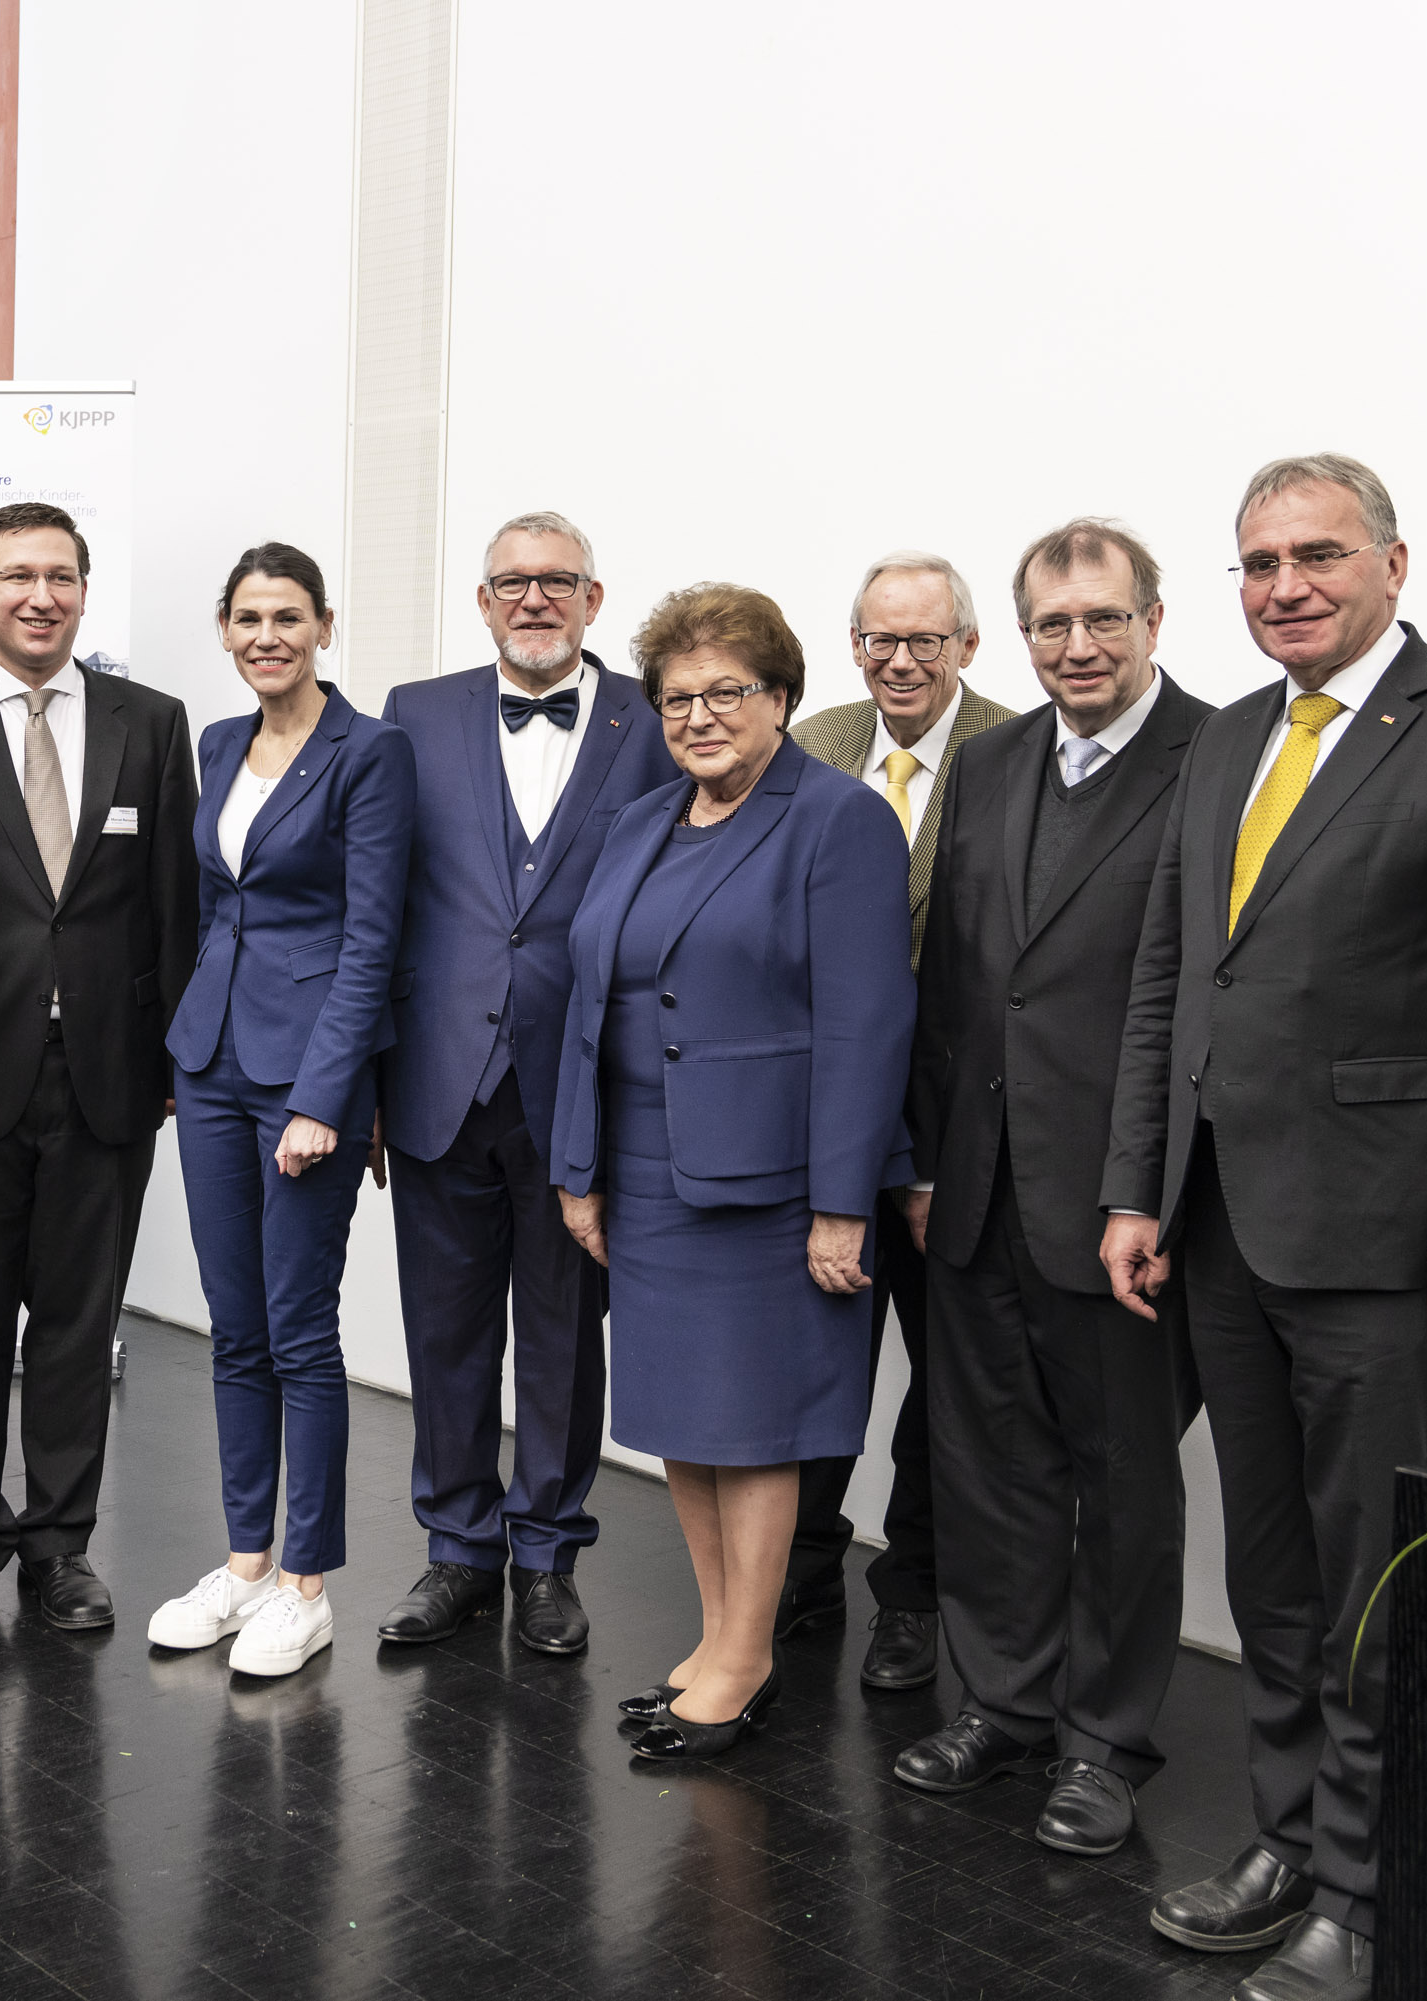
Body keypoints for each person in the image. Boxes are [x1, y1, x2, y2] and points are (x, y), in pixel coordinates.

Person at [1100, 456, 1427, 2001]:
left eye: (1318, 555)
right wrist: (1136, 1184)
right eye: (1257, 564)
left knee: (1373, 1577)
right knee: (1275, 1571)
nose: (1285, 585)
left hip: (1384, 1244)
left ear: (1393, 562)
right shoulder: (1230, 737)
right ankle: (1289, 1835)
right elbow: (1173, 981)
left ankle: (1365, 1901)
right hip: (1223, 1225)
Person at [552, 583, 912, 1762]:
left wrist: (841, 1206)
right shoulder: (641, 821)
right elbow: (588, 1007)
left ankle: (747, 1659)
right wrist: (580, 1167)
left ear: (783, 700)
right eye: (677, 698)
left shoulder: (838, 820)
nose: (700, 717)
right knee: (685, 1426)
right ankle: (715, 1637)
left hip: (769, 1185)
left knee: (754, 1429)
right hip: (649, 1172)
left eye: (727, 693)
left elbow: (867, 1026)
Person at [894, 520, 1210, 1855]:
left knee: (1123, 1484)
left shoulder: (1220, 759)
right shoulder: (991, 759)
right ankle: (1006, 1706)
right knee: (986, 1469)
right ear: (1020, 637)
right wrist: (918, 1160)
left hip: (1121, 1205)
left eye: (1104, 620)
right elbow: (958, 983)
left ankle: (1106, 1741)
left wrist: (1152, 1186)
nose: (1078, 647)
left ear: (1153, 619)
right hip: (974, 1193)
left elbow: (1201, 1001)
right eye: (1052, 626)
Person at [0, 501, 198, 1641]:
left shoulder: (151, 724)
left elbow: (176, 910)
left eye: (60, 576)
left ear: (84, 590)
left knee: (78, 1324)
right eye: (17, 576)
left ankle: (59, 1547)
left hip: (107, 1077)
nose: (40, 597)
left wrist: (173, 1063)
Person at [372, 511, 678, 1656]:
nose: (535, 600)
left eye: (559, 582)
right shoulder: (415, 713)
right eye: (513, 583)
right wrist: (361, 1087)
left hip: (584, 1087)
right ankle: (457, 1550)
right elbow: (382, 901)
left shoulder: (654, 721)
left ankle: (547, 1553)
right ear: (484, 600)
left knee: (561, 1334)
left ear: (596, 600)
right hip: (439, 1078)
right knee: (444, 1331)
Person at [147, 543, 414, 1678]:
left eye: (288, 616)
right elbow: (218, 904)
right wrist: (187, 1040)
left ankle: (307, 1585)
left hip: (307, 1079)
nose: (268, 635)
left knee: (302, 1333)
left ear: (324, 626)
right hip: (210, 1064)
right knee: (234, 1325)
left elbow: (372, 936)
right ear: (224, 628)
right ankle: (246, 1561)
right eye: (249, 617)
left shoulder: (371, 752)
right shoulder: (220, 743)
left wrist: (327, 1098)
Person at [780, 549, 1014, 1690]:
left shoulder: (1018, 751)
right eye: (880, 638)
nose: (901, 661)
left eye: (925, 640)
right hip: (816, 1124)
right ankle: (799, 1568)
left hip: (955, 1137)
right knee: (816, 1362)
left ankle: (912, 1590)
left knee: (944, 1377)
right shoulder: (811, 739)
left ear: (968, 645)